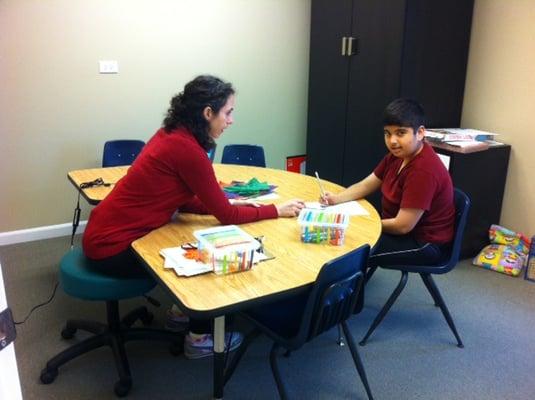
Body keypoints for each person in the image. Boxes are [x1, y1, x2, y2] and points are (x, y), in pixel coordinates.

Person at [82, 74, 305, 359]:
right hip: (111, 249)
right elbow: (226, 215)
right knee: (207, 255)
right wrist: (275, 210)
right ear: (208, 113)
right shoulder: (188, 150)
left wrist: (217, 204)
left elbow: (185, 199)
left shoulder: (170, 134)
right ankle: (199, 338)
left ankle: (179, 314)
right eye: (228, 112)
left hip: (102, 231)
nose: (231, 120)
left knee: (187, 233)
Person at [320, 98, 455, 268]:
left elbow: (403, 226)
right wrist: (336, 199)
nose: (392, 141)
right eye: (387, 133)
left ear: (420, 133)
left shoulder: (423, 170)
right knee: (344, 239)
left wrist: (359, 224)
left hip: (423, 243)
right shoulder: (397, 156)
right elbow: (366, 184)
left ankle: (343, 292)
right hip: (402, 232)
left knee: (347, 248)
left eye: (400, 133)